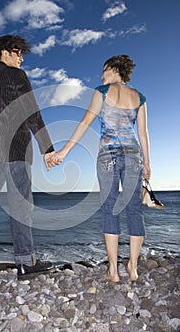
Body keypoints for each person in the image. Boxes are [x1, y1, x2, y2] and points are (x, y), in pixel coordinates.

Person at [51, 55, 151, 282]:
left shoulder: (102, 91)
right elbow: (143, 134)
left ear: (115, 69)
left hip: (108, 155)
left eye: (104, 70)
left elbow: (86, 121)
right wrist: (147, 162)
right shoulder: (140, 97)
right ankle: (133, 268)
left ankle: (113, 270)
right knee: (134, 209)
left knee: (110, 208)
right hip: (134, 155)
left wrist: (64, 152)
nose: (101, 75)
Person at [0, 34, 56, 280]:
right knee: (19, 206)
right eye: (18, 53)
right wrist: (46, 148)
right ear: (5, 52)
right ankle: (25, 263)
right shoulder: (17, 76)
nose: (21, 58)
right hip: (16, 148)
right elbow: (31, 113)